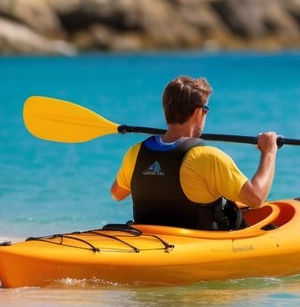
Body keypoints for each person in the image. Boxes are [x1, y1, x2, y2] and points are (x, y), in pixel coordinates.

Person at [110, 76, 277, 230]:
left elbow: (117, 194)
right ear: (198, 112)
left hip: (150, 241)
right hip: (195, 247)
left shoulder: (136, 153)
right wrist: (269, 152)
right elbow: (255, 199)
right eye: (206, 111)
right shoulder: (208, 157)